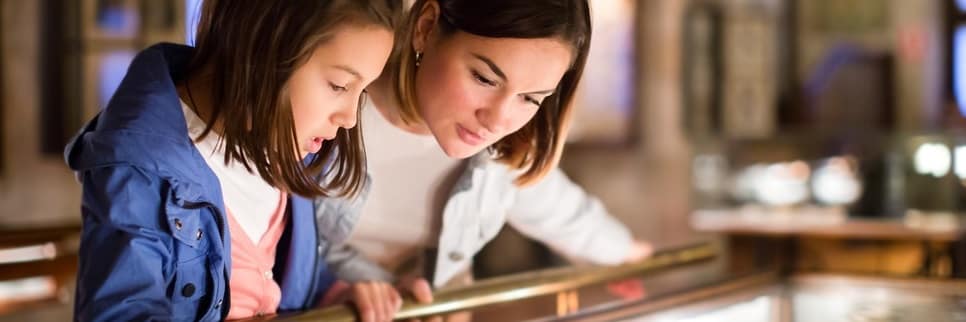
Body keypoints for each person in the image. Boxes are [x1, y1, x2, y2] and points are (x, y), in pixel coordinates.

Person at [65, 0, 402, 320]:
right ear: (264, 46)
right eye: (339, 85)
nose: (349, 119)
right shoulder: (140, 171)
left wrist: (333, 295)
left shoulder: (283, 141)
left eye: (362, 91)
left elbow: (268, 282)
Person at [315, 0, 654, 311]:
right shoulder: (325, 114)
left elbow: (563, 212)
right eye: (484, 78)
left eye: (531, 99)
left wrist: (629, 256)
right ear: (427, 28)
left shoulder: (505, 154)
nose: (497, 120)